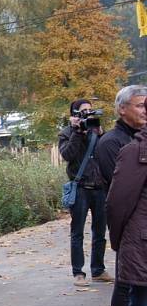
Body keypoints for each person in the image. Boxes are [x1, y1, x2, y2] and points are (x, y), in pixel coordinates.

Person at [96, 85, 147, 306]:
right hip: (129, 223)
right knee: (128, 287)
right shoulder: (112, 143)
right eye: (140, 105)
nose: (144, 111)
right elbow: (117, 194)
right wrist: (118, 234)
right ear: (122, 109)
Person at [106, 124, 147, 306]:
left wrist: (121, 240)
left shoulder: (135, 151)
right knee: (141, 305)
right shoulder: (131, 151)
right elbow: (117, 202)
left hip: (141, 239)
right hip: (142, 239)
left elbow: (116, 202)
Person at [58, 98, 113, 287]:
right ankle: (78, 273)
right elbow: (67, 155)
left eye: (90, 110)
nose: (88, 113)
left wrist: (99, 132)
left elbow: (105, 155)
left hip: (100, 187)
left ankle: (98, 270)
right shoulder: (66, 133)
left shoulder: (97, 130)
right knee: (77, 233)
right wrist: (76, 132)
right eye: (83, 111)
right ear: (74, 114)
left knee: (100, 232)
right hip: (80, 187)